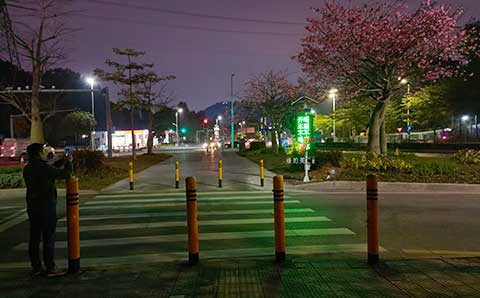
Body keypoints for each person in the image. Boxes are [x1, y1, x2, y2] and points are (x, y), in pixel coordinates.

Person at [23, 143, 73, 277]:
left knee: (34, 238)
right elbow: (65, 174)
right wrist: (69, 163)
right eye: (43, 151)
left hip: (33, 207)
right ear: (39, 153)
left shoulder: (27, 168)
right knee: (48, 238)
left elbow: (49, 169)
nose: (45, 153)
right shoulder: (44, 168)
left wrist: (61, 161)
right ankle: (50, 267)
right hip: (46, 207)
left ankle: (36, 267)